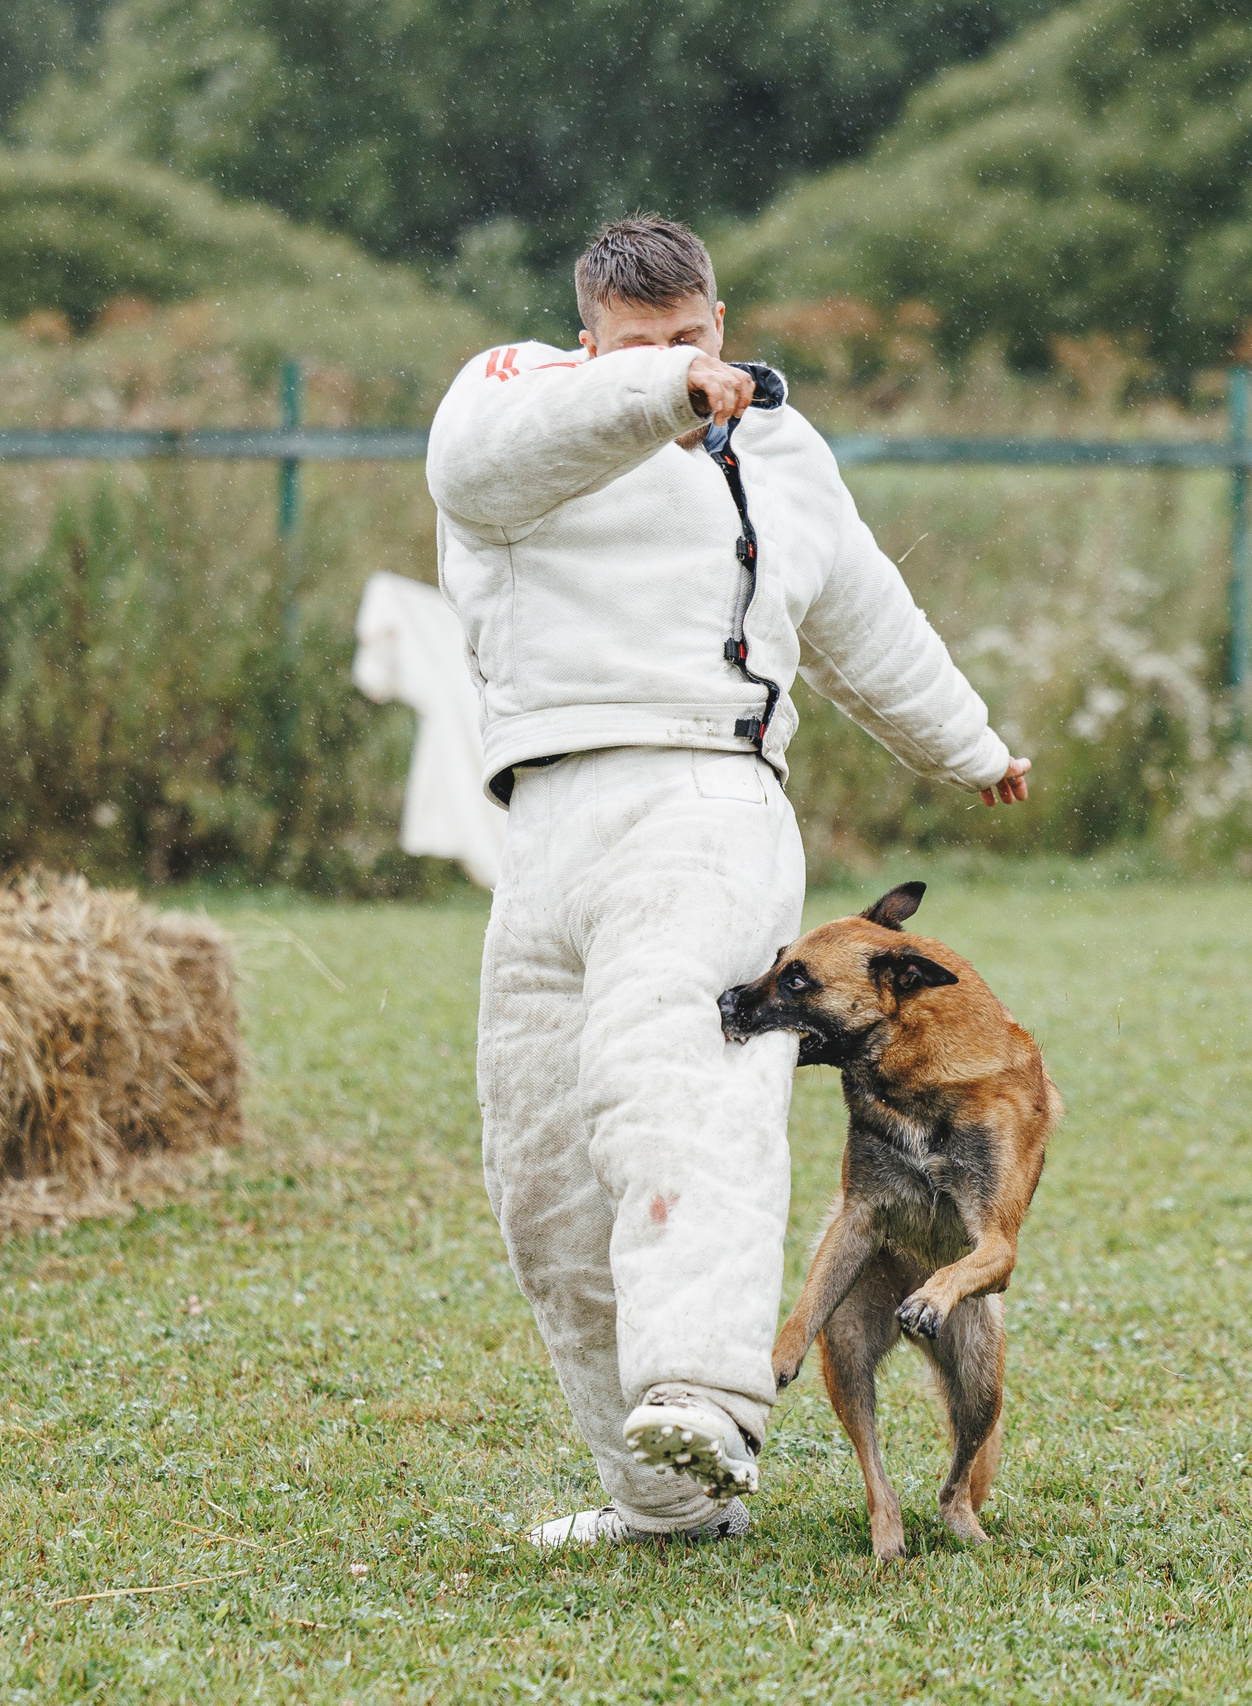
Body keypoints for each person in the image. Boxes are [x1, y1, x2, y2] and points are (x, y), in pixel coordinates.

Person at [426, 216, 1030, 1547]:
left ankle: (709, 1387)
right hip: (542, 819)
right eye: (640, 347)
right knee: (538, 1174)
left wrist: (971, 741)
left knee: (677, 1082)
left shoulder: (784, 451)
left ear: (722, 316)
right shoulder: (516, 396)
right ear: (589, 341)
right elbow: (478, 471)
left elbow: (867, 618)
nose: (683, 365)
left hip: (702, 795)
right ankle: (660, 1501)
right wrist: (656, 394)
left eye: (695, 340)